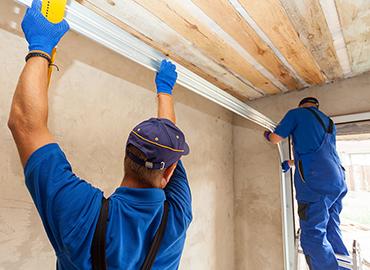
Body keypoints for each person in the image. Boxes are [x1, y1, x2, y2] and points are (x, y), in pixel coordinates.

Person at [7, 1, 192, 269]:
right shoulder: (177, 215)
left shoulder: (85, 217)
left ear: (126, 155)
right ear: (169, 172)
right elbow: (24, 124)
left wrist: (41, 44)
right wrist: (165, 89)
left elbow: (27, 124)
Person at [263, 97, 349, 270]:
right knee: (331, 226)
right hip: (337, 180)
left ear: (301, 106)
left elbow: (275, 138)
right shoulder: (329, 122)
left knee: (312, 236)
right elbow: (318, 154)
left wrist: (267, 135)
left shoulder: (296, 114)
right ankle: (344, 264)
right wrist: (290, 163)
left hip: (316, 185)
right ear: (317, 107)